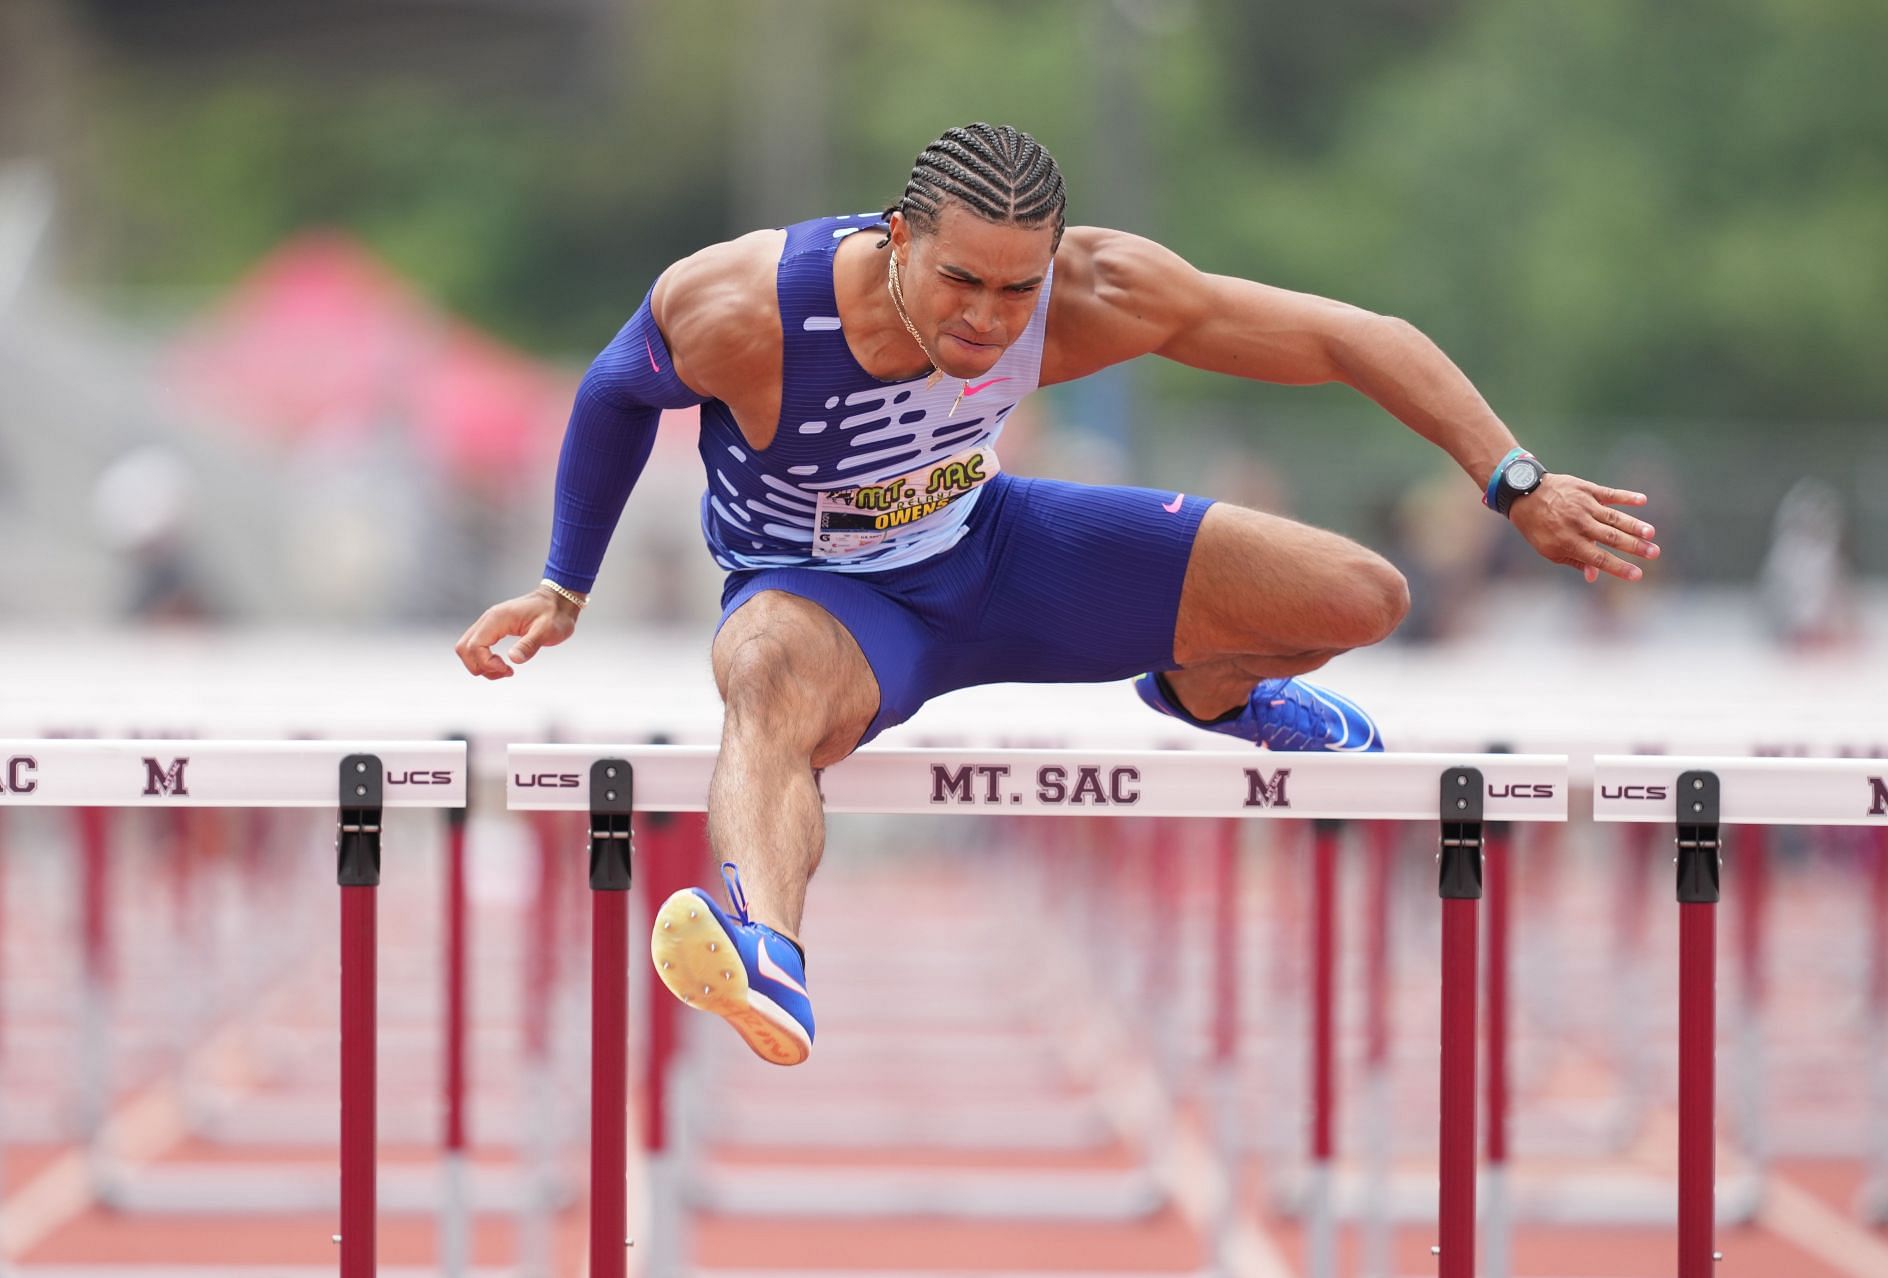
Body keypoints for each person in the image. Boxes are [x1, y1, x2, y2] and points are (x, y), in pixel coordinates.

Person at [455, 123, 1659, 1066]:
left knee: (1365, 595)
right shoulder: (744, 311)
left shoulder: (1097, 294)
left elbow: (1356, 336)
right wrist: (566, 582)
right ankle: (768, 949)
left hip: (1002, 548)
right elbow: (613, 395)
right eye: (960, 282)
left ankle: (1207, 685)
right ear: (895, 240)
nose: (986, 320)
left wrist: (1515, 481)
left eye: (1015, 292)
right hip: (829, 604)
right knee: (763, 671)